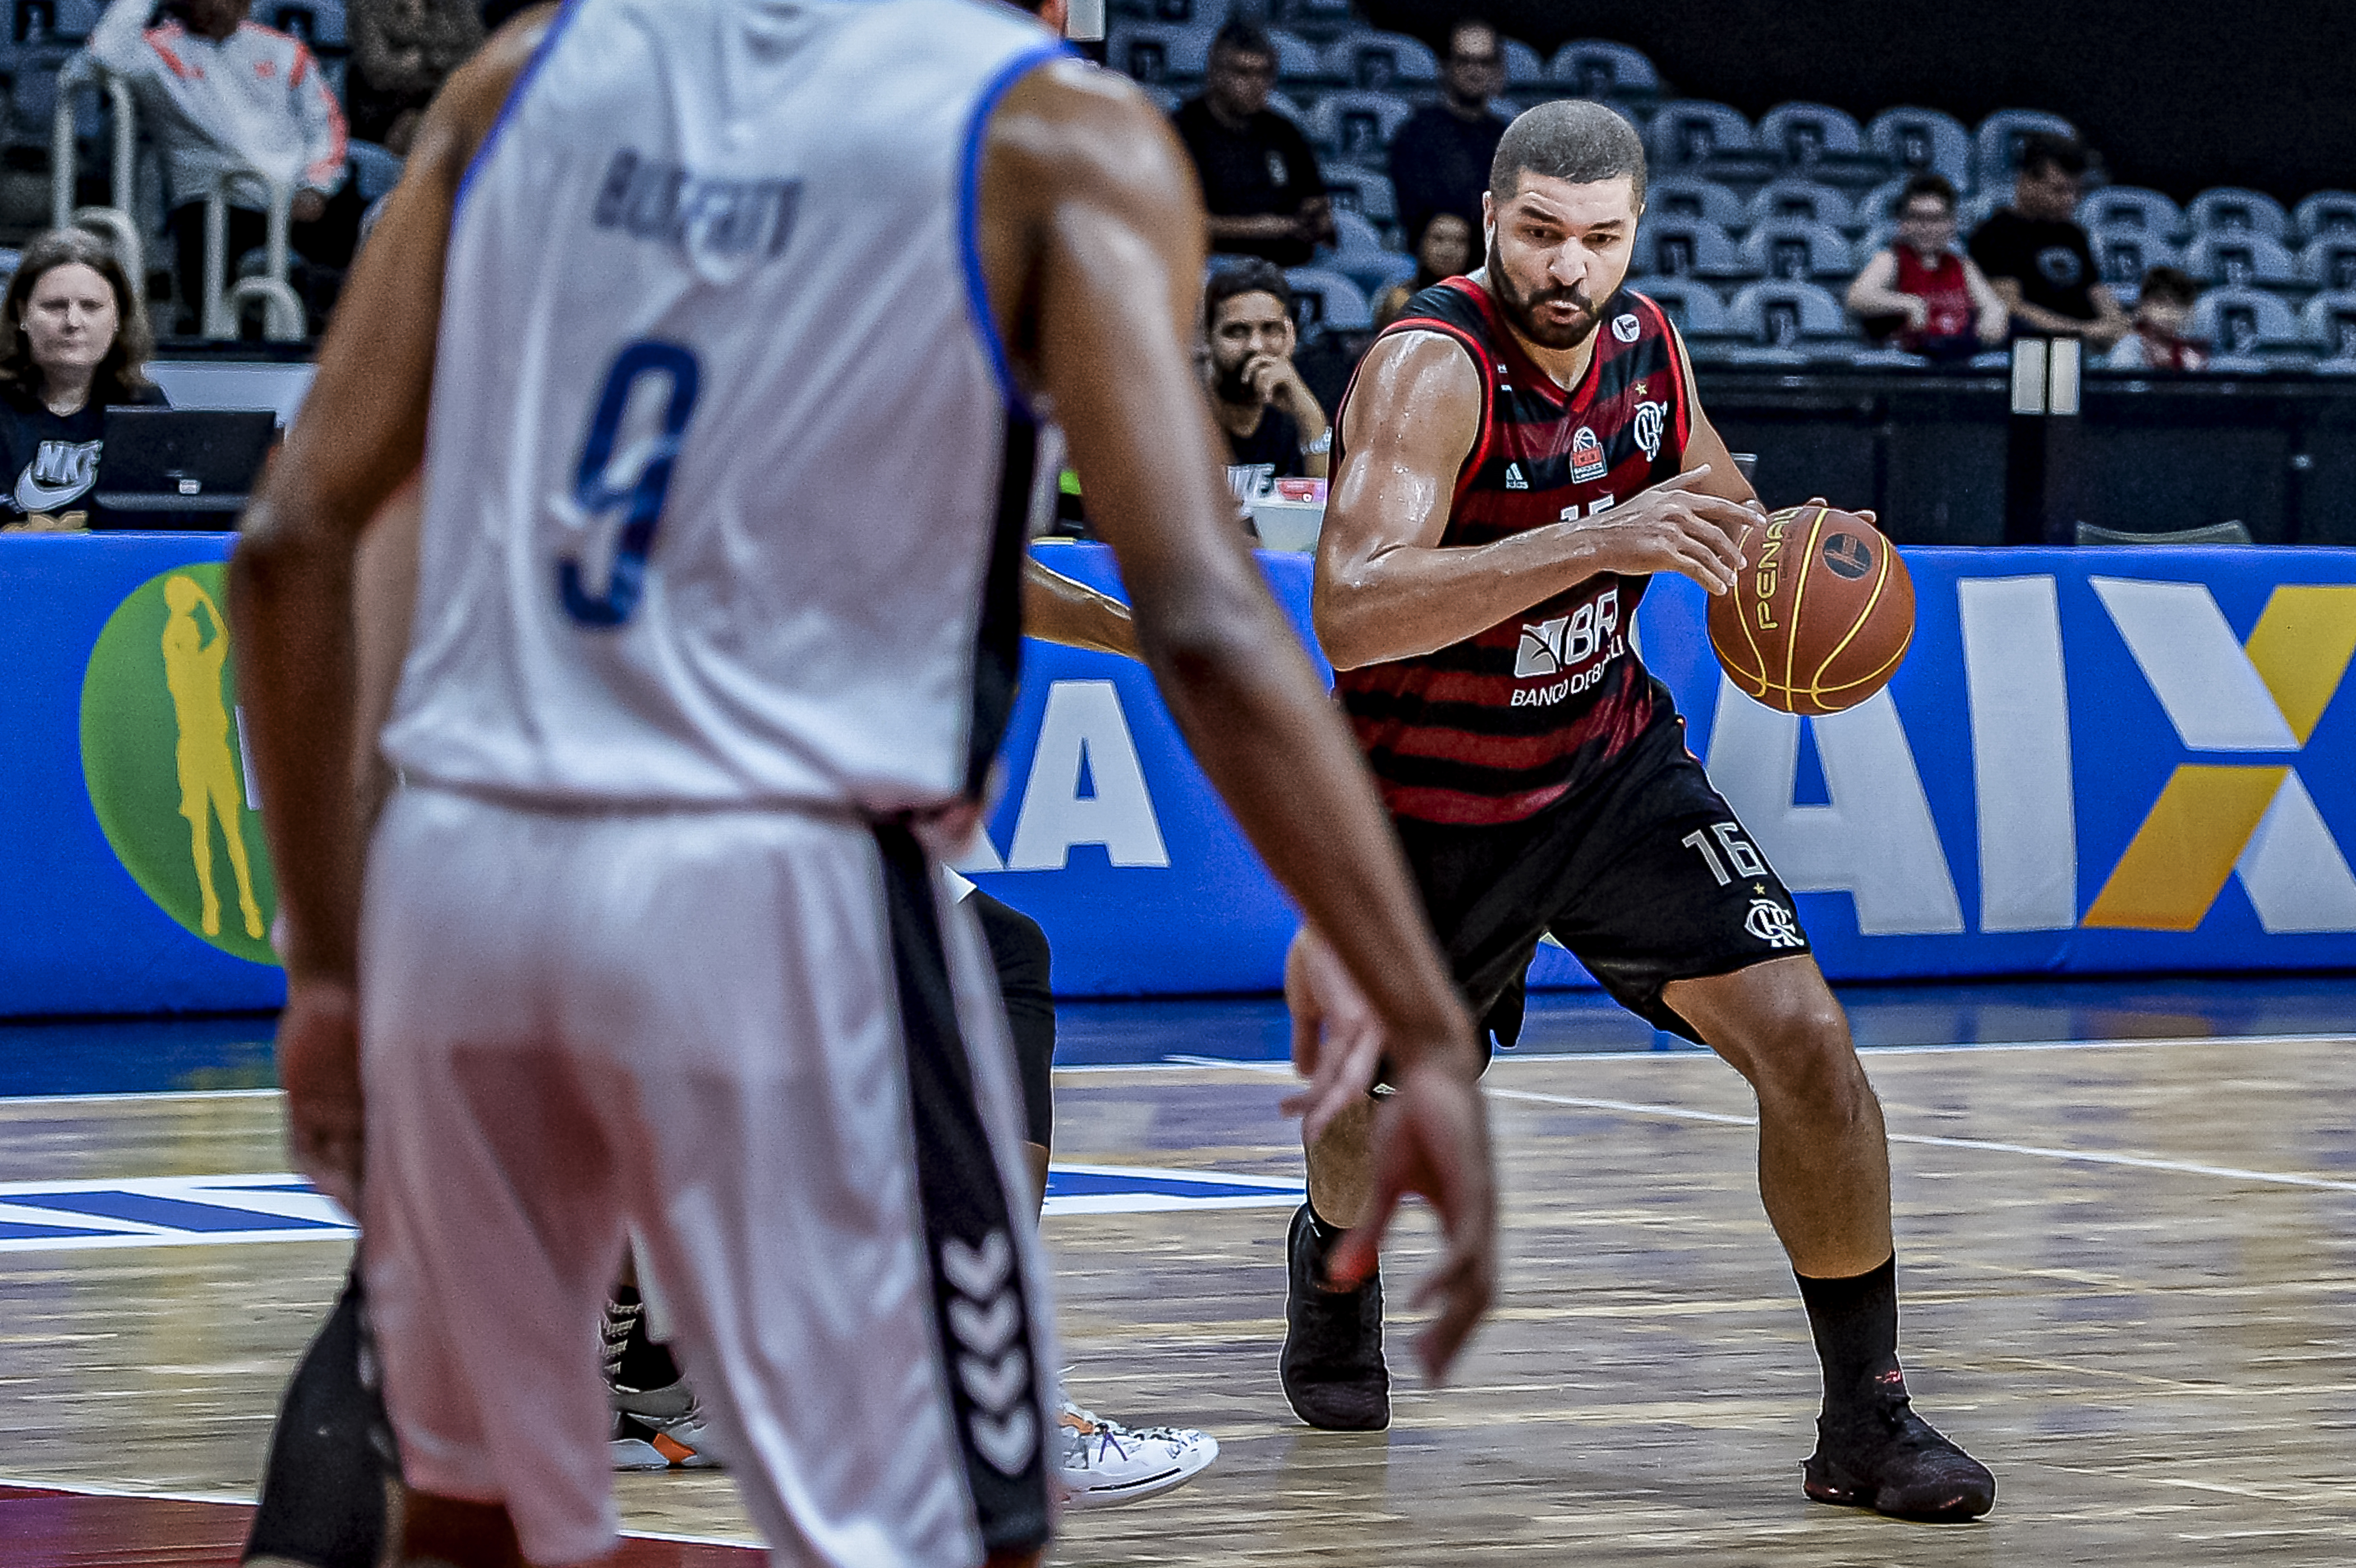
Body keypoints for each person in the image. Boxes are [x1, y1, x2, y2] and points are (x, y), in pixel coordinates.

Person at [228, 6, 1494, 1568]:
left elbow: (294, 546)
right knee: (956, 1522)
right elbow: (1208, 621)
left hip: (476, 863)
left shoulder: (532, 70)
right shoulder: (1058, 139)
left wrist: (334, 972)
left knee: (463, 1505)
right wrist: (1416, 1001)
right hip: (783, 885)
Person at [1287, 98, 1995, 1524]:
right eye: (1542, 234)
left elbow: (1719, 503)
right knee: (1366, 1129)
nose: (1570, 266)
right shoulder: (1433, 368)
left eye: (1599, 239)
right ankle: (1328, 1264)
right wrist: (1596, 538)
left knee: (1809, 1043)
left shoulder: (1648, 345)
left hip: (1609, 769)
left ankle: (1866, 1418)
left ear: (1634, 233)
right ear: (1493, 222)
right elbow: (1352, 613)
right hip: (1423, 812)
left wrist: (1796, 552)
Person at [85, 0, 355, 333]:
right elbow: (103, 54)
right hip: (212, 202)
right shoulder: (156, 52)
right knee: (202, 245)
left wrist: (318, 186)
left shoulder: (285, 50)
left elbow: (325, 126)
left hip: (296, 198)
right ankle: (213, 338)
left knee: (365, 231)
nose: (219, 5)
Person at [0, 227, 167, 532]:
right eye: (54, 306)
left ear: (118, 318)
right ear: (22, 313)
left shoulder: (145, 407)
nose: (73, 322)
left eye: (91, 307)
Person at [1171, 21, 1333, 267]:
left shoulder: (1284, 131)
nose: (1256, 84)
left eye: (1264, 73)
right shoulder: (1181, 131)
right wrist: (1257, 228)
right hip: (1216, 259)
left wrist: (1316, 218)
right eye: (1243, 73)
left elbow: (1314, 198)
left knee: (1392, 268)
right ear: (1215, 73)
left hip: (1291, 255)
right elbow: (1177, 221)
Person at [1967, 133, 2130, 351]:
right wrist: (2082, 331)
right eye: (2059, 190)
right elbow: (2010, 307)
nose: (2070, 200)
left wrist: (2117, 326)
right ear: (2026, 181)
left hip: (2089, 346)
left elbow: (2097, 292)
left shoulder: (2073, 234)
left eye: (2076, 190)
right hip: (2032, 349)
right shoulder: (1995, 233)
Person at [1845, 174, 2007, 361]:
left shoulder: (1962, 266)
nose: (1927, 227)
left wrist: (1993, 318)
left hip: (1956, 360)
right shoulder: (1891, 260)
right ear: (1903, 223)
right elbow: (1857, 297)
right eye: (1918, 218)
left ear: (1951, 224)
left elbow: (1993, 306)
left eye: (1936, 219)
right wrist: (1909, 303)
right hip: (1910, 365)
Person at [1386, 20, 1509, 265]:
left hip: (1496, 266)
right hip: (1432, 269)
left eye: (1483, 62)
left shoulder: (1509, 138)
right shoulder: (1416, 133)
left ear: (1497, 71)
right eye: (1464, 61)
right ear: (1445, 66)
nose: (1474, 71)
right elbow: (1418, 215)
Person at [1205, 260, 1329, 498]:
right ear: (1207, 338)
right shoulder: (1179, 410)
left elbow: (1324, 518)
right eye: (1236, 332)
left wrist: (1311, 418)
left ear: (1289, 334)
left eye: (1270, 329)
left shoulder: (1306, 400)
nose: (1255, 346)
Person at [348, 0, 485, 154]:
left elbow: (476, 59)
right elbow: (379, 73)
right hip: (384, 110)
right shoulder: (367, 5)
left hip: (446, 101)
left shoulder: (460, 5)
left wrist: (418, 59)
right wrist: (438, 62)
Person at [1375, 210, 1475, 328]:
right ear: (1420, 242)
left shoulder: (1479, 301)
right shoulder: (1401, 300)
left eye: (1460, 241)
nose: (1449, 250)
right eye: (1438, 239)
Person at [2107, 264, 2207, 371]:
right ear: (2144, 307)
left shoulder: (2188, 356)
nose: (2170, 315)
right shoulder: (2129, 348)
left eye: (2178, 307)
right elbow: (2124, 386)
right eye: (2162, 305)